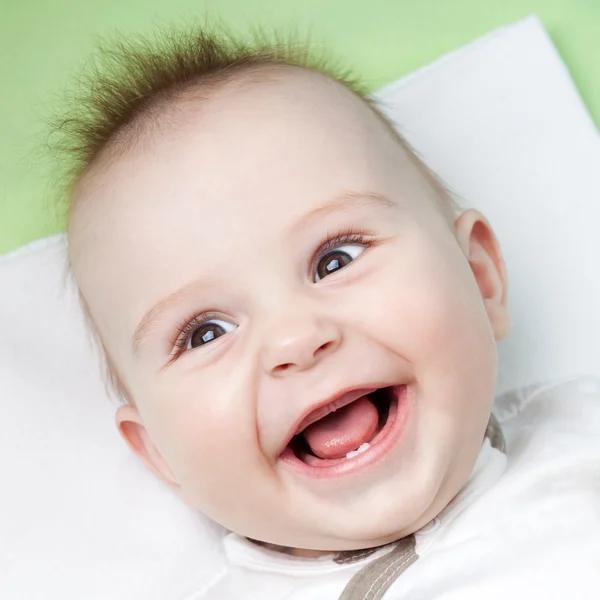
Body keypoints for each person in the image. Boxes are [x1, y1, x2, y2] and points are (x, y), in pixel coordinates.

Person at [51, 22, 600, 599]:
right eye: (206, 332)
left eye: (335, 261)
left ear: (480, 278)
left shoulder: (582, 430)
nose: (295, 339)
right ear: (160, 453)